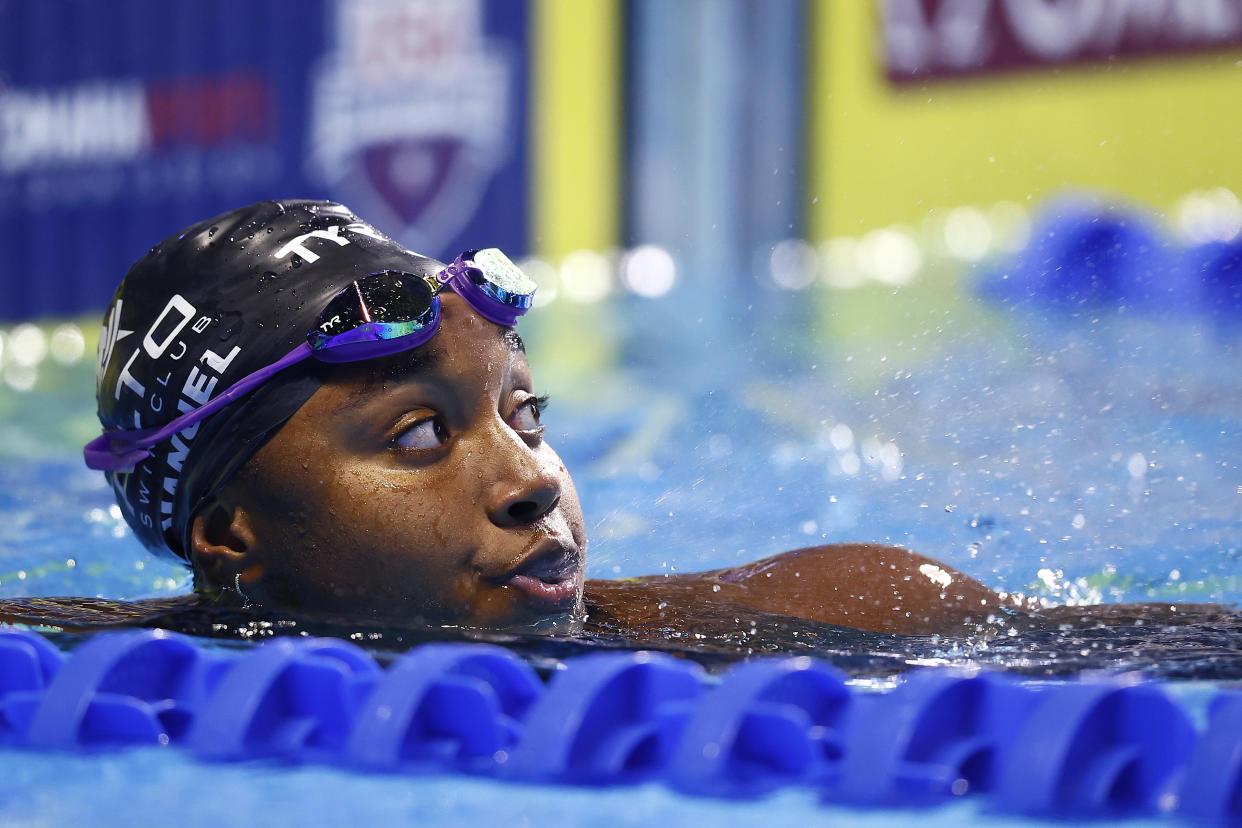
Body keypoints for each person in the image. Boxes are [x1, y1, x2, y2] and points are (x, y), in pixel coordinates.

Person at [1, 200, 1214, 644]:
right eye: (420, 435)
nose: (531, 479)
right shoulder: (100, 664)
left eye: (526, 414)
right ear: (225, 537)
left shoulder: (834, 612)